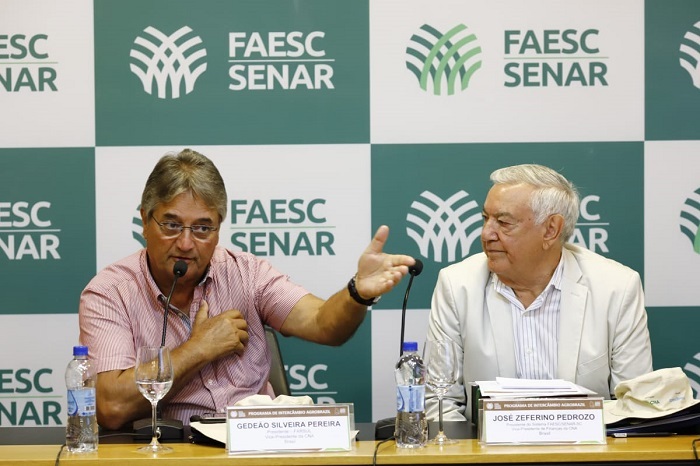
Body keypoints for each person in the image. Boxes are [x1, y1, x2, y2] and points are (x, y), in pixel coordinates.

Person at [79, 148, 415, 430]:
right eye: (171, 224)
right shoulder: (111, 292)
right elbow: (112, 406)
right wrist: (199, 349)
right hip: (174, 454)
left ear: (219, 227)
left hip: (258, 447)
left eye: (202, 228)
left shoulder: (247, 273)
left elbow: (322, 324)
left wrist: (357, 292)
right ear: (144, 220)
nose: (185, 243)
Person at [425, 163, 653, 422]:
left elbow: (635, 405)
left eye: (503, 222)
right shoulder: (457, 285)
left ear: (551, 230)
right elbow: (440, 403)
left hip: (586, 458)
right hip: (488, 458)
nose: (486, 233)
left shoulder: (617, 287)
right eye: (485, 218)